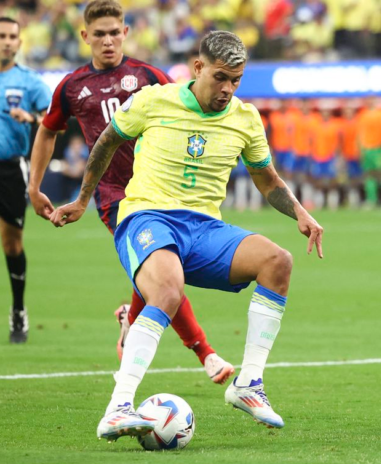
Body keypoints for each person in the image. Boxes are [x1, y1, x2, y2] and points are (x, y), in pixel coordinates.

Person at [50, 30, 324, 441]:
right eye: (220, 78)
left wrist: (300, 212)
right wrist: (81, 199)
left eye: (236, 80)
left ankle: (248, 384)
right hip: (147, 217)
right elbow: (107, 142)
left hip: (204, 229)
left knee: (277, 261)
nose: (228, 89)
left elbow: (267, 180)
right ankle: (118, 406)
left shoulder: (245, 118)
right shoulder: (154, 100)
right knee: (167, 288)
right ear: (198, 68)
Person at [28, 0, 234, 384]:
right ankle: (206, 353)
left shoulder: (147, 75)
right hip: (115, 199)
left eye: (114, 32)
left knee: (160, 273)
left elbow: (186, 112)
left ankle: (131, 318)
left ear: (126, 33)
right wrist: (34, 185)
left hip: (160, 191)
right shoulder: (72, 87)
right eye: (99, 34)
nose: (108, 41)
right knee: (166, 275)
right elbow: (47, 131)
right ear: (85, 36)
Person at [0, 17, 52, 343]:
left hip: (10, 168)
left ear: (19, 43)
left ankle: (18, 309)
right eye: (1, 36)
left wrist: (31, 117)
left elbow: (53, 118)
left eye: (12, 37)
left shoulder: (29, 82)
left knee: (11, 242)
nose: (6, 41)